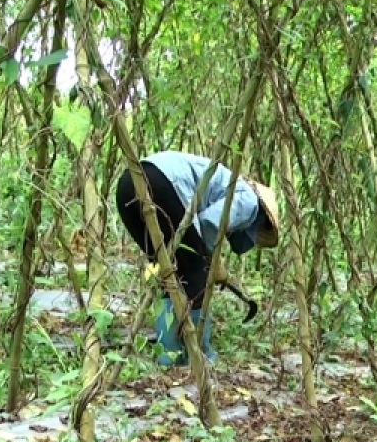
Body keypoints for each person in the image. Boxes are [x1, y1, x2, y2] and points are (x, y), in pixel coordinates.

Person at [114, 150, 280, 366]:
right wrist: (209, 261)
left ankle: (168, 354)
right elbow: (209, 224)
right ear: (263, 221)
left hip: (128, 184)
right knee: (196, 274)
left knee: (169, 272)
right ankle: (199, 356)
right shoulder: (250, 202)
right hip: (161, 184)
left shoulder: (229, 183)